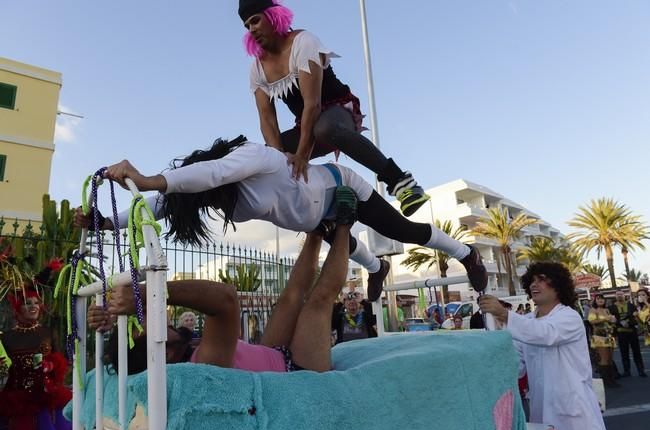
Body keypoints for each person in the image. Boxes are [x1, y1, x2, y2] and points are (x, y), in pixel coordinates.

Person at [76, 137, 488, 303]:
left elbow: (211, 173)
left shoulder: (253, 157)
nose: (203, 197)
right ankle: (376, 266)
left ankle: (465, 252)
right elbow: (156, 205)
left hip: (338, 185)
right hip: (308, 216)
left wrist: (148, 176)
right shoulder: (208, 195)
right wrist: (103, 221)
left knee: (398, 229)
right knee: (330, 235)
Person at [89, 186, 368, 374]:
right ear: (161, 354)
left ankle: (317, 230)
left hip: (271, 354)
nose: (150, 316)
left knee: (291, 296)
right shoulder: (206, 362)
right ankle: (344, 224)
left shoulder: (183, 349)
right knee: (317, 302)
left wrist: (108, 314)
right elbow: (225, 298)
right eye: (144, 326)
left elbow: (135, 318)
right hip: (297, 369)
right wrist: (145, 292)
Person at [239, 0, 429, 216]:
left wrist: (301, 155)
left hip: (338, 111)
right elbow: (267, 119)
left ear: (273, 16)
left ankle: (402, 182)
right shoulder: (257, 68)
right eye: (247, 26)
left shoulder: (303, 42)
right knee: (266, 155)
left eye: (255, 20)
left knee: (324, 128)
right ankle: (320, 214)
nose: (251, 29)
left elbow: (313, 104)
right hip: (306, 123)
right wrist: (279, 160)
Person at [479, 262, 606, 430]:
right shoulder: (527, 322)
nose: (534, 284)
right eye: (531, 280)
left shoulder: (569, 316)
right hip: (541, 411)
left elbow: (546, 334)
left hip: (574, 412)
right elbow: (516, 366)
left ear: (558, 286)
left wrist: (504, 314)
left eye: (542, 280)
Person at [0, 283, 72, 430]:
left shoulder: (47, 332)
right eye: (27, 303)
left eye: (36, 302)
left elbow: (60, 360)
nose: (33, 306)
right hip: (17, 399)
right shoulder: (6, 337)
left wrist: (51, 366)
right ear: (18, 307)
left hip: (48, 396)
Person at [609, 290, 646, 377]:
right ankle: (627, 371)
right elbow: (611, 320)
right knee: (624, 352)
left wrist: (628, 323)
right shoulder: (611, 307)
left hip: (632, 332)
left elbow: (635, 317)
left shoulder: (631, 305)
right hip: (621, 333)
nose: (619, 296)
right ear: (615, 296)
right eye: (618, 294)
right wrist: (620, 323)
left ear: (624, 295)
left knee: (636, 352)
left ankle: (641, 370)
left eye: (621, 294)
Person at [588, 294, 620, 387]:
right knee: (604, 359)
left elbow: (611, 321)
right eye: (598, 299)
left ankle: (611, 379)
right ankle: (606, 381)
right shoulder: (593, 310)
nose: (601, 300)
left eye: (602, 299)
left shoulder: (606, 310)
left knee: (610, 359)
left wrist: (613, 321)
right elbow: (592, 321)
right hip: (599, 337)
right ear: (595, 301)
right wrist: (606, 319)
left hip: (609, 336)